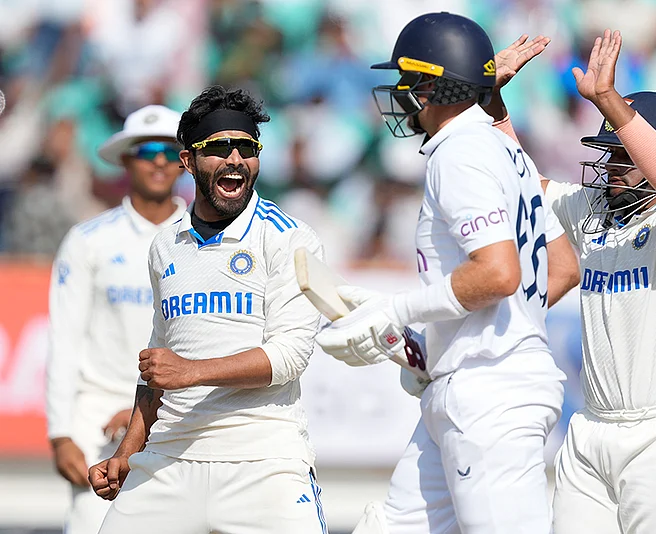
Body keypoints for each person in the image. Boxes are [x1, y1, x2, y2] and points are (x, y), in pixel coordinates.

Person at [315, 12, 579, 534]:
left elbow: (499, 274)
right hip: (471, 384)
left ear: (432, 85)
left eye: (407, 80)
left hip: (489, 395)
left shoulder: (459, 152)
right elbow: (563, 267)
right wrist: (440, 343)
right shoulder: (506, 149)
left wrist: (397, 309)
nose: (400, 92)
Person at [492, 30, 656, 533]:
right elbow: (514, 178)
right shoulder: (593, 211)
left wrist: (610, 100)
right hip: (592, 431)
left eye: (622, 155)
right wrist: (489, 102)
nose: (609, 166)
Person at [87, 86, 328, 533]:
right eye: (219, 147)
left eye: (248, 147)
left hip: (262, 460)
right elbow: (158, 365)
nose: (235, 158)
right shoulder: (166, 244)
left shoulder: (288, 237)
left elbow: (290, 356)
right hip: (169, 456)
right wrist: (126, 452)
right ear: (188, 161)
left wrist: (192, 372)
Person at [46, 104, 187, 534]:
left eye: (169, 150)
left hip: (177, 415)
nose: (159, 160)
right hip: (96, 420)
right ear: (127, 159)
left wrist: (145, 411)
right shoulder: (89, 240)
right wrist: (61, 433)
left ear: (185, 161)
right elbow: (64, 337)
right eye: (147, 150)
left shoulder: (205, 238)